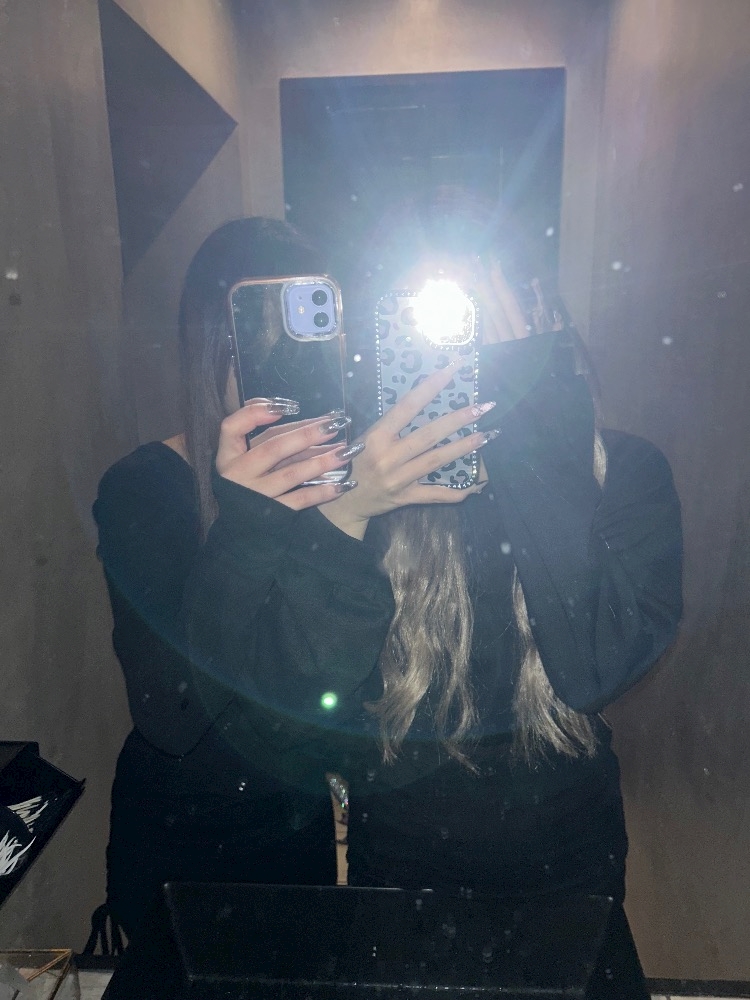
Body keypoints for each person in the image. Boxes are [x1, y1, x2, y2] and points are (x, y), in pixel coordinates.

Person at [181, 197, 683, 999]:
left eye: (491, 317)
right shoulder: (366, 483)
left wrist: (536, 425)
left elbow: (596, 665)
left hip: (571, 870)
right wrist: (347, 511)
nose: (467, 350)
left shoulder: (624, 472)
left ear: (544, 323)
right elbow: (287, 722)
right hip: (402, 876)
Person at [93, 217, 370, 939]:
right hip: (180, 845)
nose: (281, 356)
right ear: (214, 340)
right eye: (256, 328)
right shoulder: (144, 487)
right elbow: (171, 711)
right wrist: (248, 522)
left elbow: (342, 688)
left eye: (305, 332)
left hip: (294, 832)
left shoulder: (337, 482)